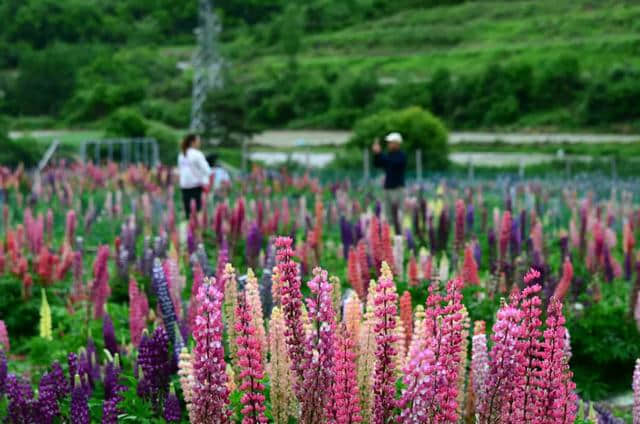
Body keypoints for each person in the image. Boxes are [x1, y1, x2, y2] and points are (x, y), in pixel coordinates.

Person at [372, 132, 407, 230]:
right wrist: (376, 154)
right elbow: (378, 163)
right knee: (388, 215)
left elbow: (391, 163)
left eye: (390, 142)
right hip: (387, 188)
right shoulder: (389, 155)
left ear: (397, 143)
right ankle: (390, 235)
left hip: (397, 189)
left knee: (398, 215)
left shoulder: (401, 156)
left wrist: (380, 153)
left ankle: (399, 235)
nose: (388, 144)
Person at [178, 133, 211, 219]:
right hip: (196, 187)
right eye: (198, 141)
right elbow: (207, 170)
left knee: (188, 215)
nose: (200, 143)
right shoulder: (197, 154)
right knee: (198, 214)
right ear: (192, 142)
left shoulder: (181, 155)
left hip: (184, 187)